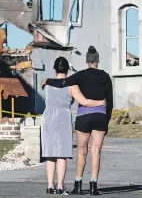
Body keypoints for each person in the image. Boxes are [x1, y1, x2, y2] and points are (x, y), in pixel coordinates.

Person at [41, 46, 113, 196]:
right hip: (100, 116)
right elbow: (110, 102)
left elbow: (61, 83)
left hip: (83, 117)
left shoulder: (79, 76)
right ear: (98, 60)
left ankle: (78, 185)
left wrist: (47, 80)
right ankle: (93, 185)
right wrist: (106, 119)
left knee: (81, 152)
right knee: (96, 152)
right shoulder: (106, 77)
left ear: (86, 61)